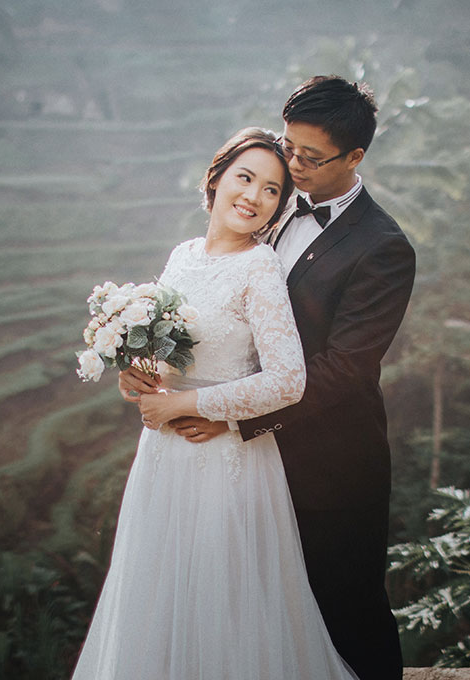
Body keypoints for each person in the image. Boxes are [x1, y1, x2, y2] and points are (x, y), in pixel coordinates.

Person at [134, 76, 416, 680]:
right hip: (239, 465)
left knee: (346, 611)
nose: (293, 166)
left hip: (328, 461)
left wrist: (229, 413)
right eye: (289, 148)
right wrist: (151, 368)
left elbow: (347, 367)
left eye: (310, 158)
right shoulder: (267, 206)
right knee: (249, 611)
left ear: (355, 157)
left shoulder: (384, 247)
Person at [71, 127, 359, 680]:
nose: (254, 197)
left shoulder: (261, 269)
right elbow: (169, 351)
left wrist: (200, 407)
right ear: (217, 178)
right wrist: (138, 373)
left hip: (226, 461)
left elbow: (288, 381)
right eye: (245, 179)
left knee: (223, 601)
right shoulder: (182, 256)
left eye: (272, 190)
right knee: (157, 591)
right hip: (163, 458)